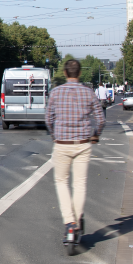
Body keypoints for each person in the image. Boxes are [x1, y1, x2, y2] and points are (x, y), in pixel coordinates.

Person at [45, 60, 104, 246]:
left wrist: (54, 135)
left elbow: (48, 119)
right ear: (80, 73)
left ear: (64, 72)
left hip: (62, 143)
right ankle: (76, 223)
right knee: (80, 183)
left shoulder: (55, 92)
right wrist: (95, 135)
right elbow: (100, 119)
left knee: (61, 182)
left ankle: (68, 221)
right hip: (83, 143)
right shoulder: (89, 92)